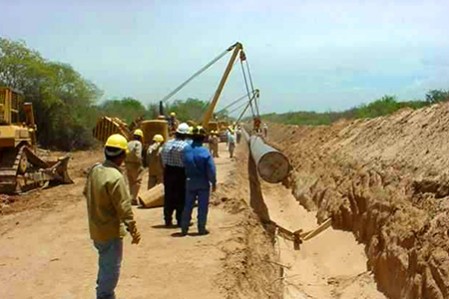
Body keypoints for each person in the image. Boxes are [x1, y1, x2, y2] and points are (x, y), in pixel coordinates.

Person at [83, 134, 141, 299]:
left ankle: (102, 291)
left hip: (96, 229)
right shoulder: (115, 177)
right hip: (110, 232)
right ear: (123, 155)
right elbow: (124, 208)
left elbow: (85, 192)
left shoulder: (95, 170)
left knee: (105, 265)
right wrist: (134, 230)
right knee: (111, 271)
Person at [181, 126, 217, 235]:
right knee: (202, 206)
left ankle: (184, 228)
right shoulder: (205, 152)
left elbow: (183, 163)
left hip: (190, 180)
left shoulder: (186, 150)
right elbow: (211, 170)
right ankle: (201, 228)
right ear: (203, 138)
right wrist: (213, 182)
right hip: (202, 182)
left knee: (188, 205)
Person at [161, 122, 189, 227]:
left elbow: (162, 160)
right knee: (181, 197)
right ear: (185, 135)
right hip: (180, 173)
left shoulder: (167, 144)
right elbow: (186, 162)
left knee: (168, 196)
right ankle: (180, 219)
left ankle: (167, 219)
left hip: (168, 172)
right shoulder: (185, 146)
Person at [125, 129, 144, 205]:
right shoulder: (138, 143)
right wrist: (140, 163)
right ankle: (134, 198)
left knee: (131, 181)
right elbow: (138, 155)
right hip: (135, 164)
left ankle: (131, 197)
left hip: (127, 164)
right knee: (137, 181)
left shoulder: (128, 143)